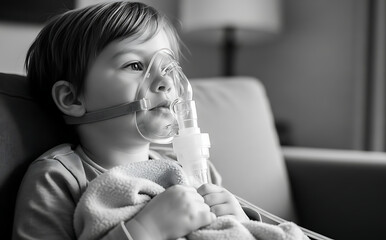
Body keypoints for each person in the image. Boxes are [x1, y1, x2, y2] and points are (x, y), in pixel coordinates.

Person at [12, 2, 251, 240]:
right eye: (135, 65)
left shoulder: (189, 170)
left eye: (168, 68)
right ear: (72, 98)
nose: (166, 83)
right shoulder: (57, 179)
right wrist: (146, 230)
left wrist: (238, 220)